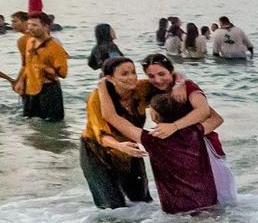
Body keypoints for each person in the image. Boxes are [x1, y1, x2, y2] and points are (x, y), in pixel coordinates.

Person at [143, 53, 236, 208]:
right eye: (151, 76)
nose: (157, 80)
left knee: (216, 200)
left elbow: (205, 112)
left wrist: (175, 127)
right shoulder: (150, 88)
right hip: (176, 150)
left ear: (170, 71)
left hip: (200, 145)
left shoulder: (187, 88)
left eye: (162, 74)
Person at [80, 56, 153, 209]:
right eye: (124, 74)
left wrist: (179, 81)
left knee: (142, 201)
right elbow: (101, 135)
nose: (131, 77)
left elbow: (167, 82)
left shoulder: (141, 89)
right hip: (97, 153)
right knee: (112, 208)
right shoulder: (96, 99)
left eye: (133, 72)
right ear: (110, 78)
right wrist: (119, 146)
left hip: (129, 149)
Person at [14, 14, 69, 121]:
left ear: (46, 27)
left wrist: (44, 68)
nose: (30, 28)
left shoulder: (55, 47)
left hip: (49, 91)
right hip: (31, 89)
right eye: (29, 24)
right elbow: (27, 65)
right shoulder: (30, 42)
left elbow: (63, 73)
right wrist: (20, 82)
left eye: (34, 25)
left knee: (52, 126)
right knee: (30, 124)